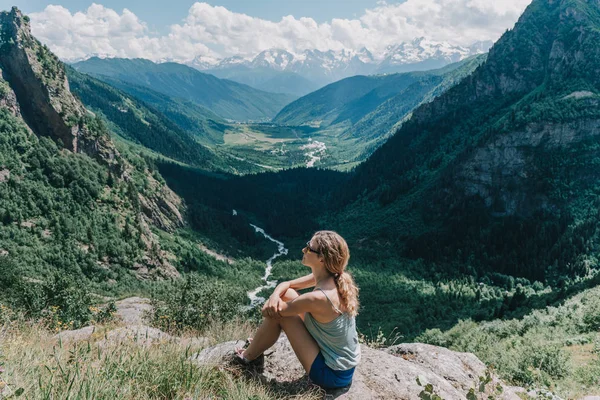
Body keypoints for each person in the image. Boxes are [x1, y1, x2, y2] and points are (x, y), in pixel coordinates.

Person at [234, 230, 361, 390]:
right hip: (343, 367)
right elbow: (287, 285)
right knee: (286, 295)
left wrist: (272, 302)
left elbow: (271, 312)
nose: (304, 249)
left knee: (280, 316)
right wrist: (274, 296)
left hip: (331, 375)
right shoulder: (330, 276)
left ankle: (246, 357)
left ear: (321, 258)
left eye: (309, 247)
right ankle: (256, 347)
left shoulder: (319, 298)